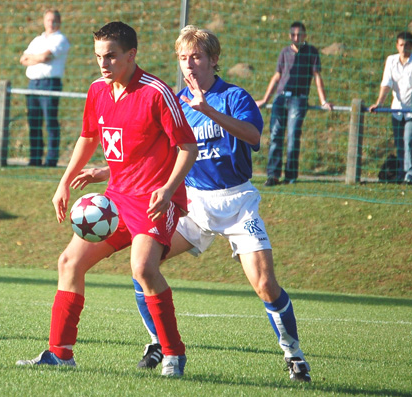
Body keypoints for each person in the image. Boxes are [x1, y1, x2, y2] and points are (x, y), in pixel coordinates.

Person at [72, 25, 312, 382]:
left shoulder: (234, 96)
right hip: (193, 203)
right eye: (183, 58)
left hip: (236, 201)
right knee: (145, 267)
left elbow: (254, 137)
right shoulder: (175, 100)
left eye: (197, 57)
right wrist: (106, 171)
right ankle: (158, 342)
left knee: (264, 284)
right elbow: (151, 156)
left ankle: (294, 355)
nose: (189, 65)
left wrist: (209, 111)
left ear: (214, 60)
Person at [16, 21, 198, 378]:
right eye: (99, 56)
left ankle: (174, 354)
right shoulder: (98, 90)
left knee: (143, 269)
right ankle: (60, 354)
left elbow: (187, 148)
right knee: (69, 262)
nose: (104, 63)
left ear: (132, 55)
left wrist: (167, 188)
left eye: (111, 56)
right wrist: (64, 182)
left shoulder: (157, 92)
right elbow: (88, 138)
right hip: (116, 197)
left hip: (154, 199)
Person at [256, 21, 333, 186]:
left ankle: (290, 176)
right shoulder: (284, 52)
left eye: (299, 34)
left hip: (299, 99)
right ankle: (273, 175)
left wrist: (323, 100)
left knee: (292, 135)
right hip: (280, 98)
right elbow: (277, 76)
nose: (296, 37)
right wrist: (265, 99)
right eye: (293, 34)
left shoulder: (312, 52)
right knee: (275, 134)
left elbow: (317, 76)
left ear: (305, 36)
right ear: (289, 35)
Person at [20, 9, 70, 167]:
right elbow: (23, 59)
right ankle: (35, 158)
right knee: (34, 122)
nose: (51, 23)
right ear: (44, 21)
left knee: (50, 122)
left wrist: (35, 58)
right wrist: (39, 58)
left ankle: (51, 160)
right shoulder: (38, 40)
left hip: (49, 84)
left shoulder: (60, 39)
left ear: (59, 22)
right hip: (33, 83)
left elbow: (45, 57)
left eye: (54, 20)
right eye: (48, 20)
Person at [368, 31, 412, 185]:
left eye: (407, 45)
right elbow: (386, 83)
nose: (403, 48)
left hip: (411, 112)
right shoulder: (391, 60)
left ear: (411, 46)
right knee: (399, 142)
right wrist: (379, 103)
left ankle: (410, 173)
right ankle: (401, 172)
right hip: (396, 110)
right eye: (401, 45)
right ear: (397, 45)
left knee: (408, 140)